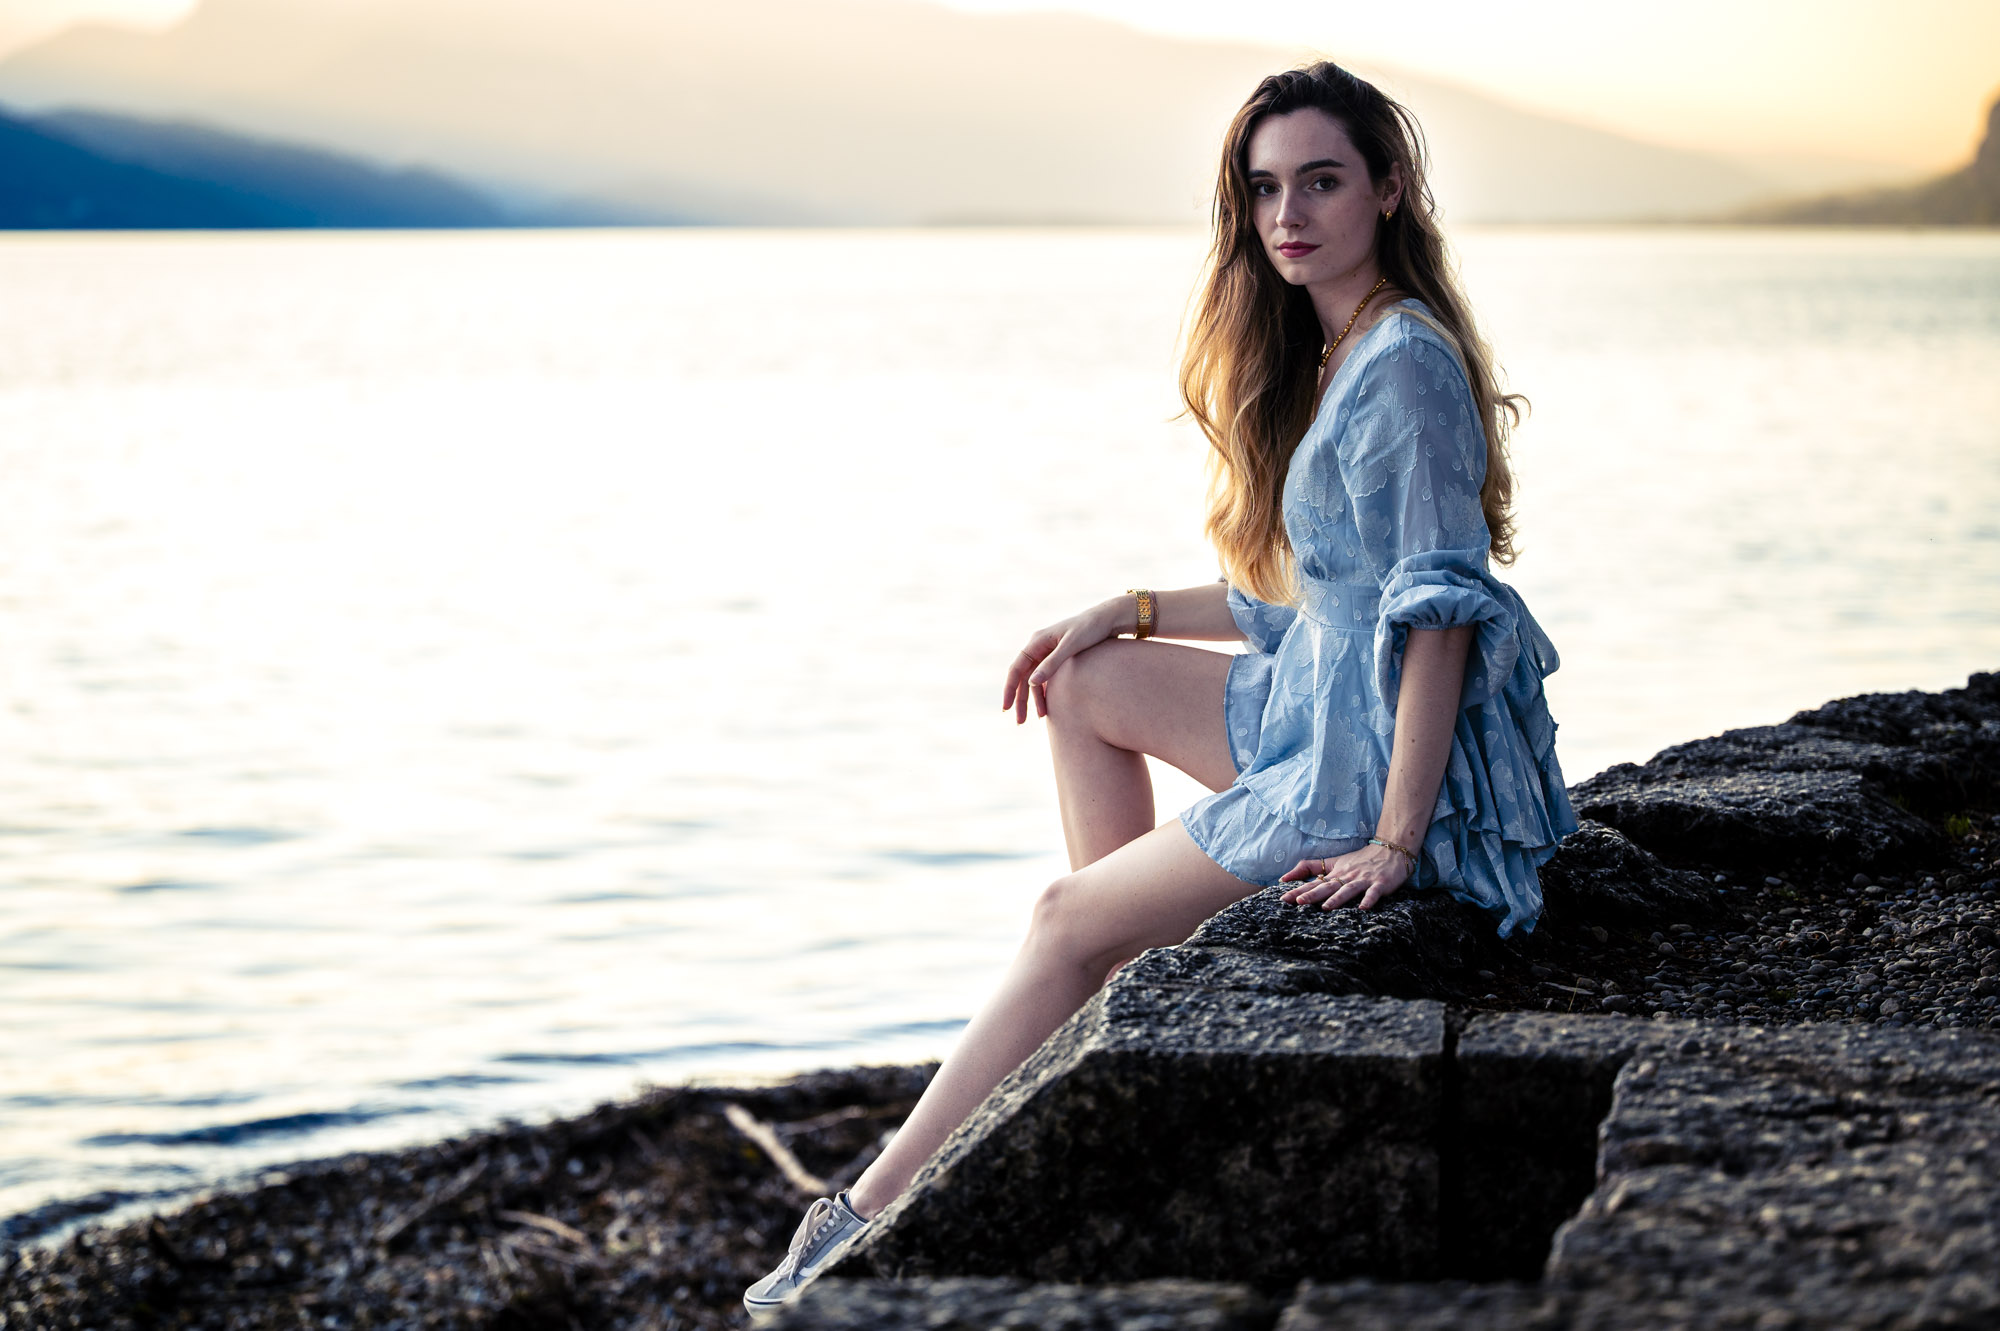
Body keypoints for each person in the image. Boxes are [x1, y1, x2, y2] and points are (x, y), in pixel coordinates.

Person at [743, 59, 1576, 1317]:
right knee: (1083, 679)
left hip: (1360, 765)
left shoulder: (1401, 362)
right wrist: (1123, 609)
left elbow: (1435, 620)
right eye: (1262, 190)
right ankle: (1131, 993)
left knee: (1059, 917)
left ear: (1389, 190)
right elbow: (1317, 603)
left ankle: (858, 1219)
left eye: (1320, 181)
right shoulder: (1340, 343)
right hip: (1318, 704)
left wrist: (1397, 838)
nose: (1287, 214)